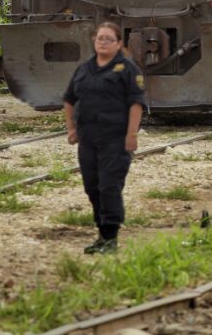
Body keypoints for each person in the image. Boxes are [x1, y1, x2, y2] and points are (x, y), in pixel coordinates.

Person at [63, 22, 145, 254]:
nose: (103, 42)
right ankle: (101, 234)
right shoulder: (83, 69)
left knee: (109, 186)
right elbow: (69, 99)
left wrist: (131, 134)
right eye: (100, 38)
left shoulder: (128, 70)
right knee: (92, 187)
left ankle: (111, 237)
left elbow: (136, 103)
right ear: (94, 40)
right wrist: (71, 128)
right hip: (88, 138)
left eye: (109, 39)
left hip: (115, 138)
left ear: (119, 44)